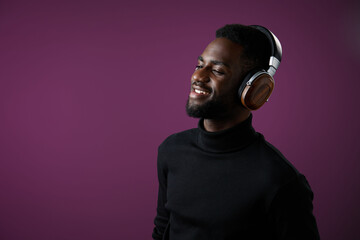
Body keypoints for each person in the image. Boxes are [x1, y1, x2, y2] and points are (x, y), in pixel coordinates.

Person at [152, 24, 320, 240]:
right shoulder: (171, 151)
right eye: (199, 65)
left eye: (217, 71)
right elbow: (162, 230)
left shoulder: (279, 180)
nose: (198, 76)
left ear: (254, 89)